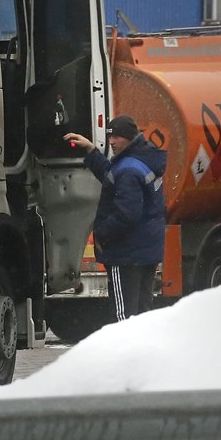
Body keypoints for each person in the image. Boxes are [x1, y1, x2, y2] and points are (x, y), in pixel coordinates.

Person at [64, 115, 167, 321]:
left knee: (124, 317)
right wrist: (91, 150)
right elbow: (113, 175)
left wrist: (102, 234)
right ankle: (143, 352)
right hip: (146, 251)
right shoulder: (141, 159)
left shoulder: (128, 169)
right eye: (110, 137)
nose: (111, 142)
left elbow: (127, 213)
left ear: (129, 138)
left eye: (117, 137)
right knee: (142, 313)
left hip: (125, 254)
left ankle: (127, 353)